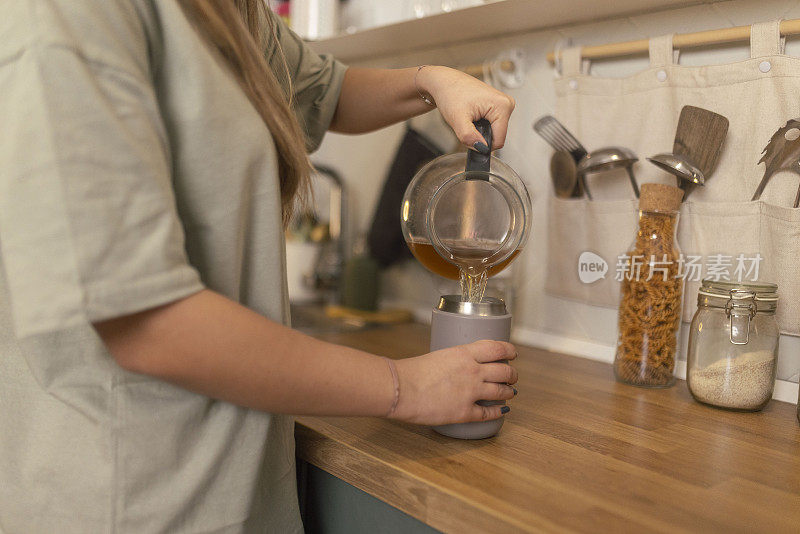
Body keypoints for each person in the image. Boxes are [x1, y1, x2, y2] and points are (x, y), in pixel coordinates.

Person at [0, 1, 518, 532]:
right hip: (127, 492)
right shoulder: (66, 14)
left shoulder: (231, 10)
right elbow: (143, 323)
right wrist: (404, 386)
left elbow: (325, 93)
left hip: (235, 484)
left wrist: (433, 82)